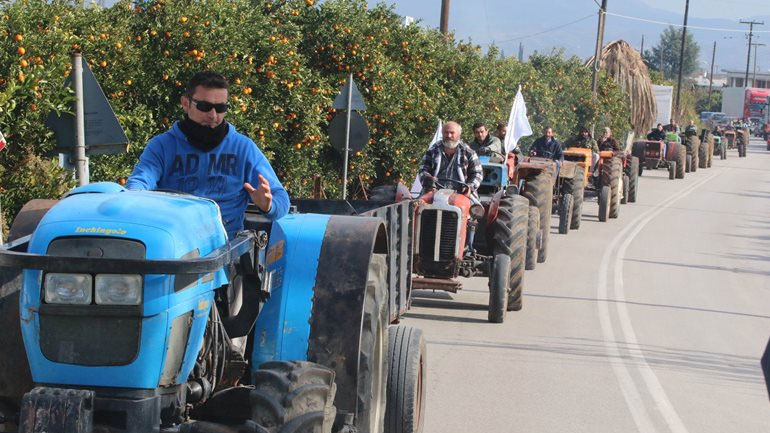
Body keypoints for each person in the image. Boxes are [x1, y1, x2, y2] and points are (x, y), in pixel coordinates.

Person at [126, 71, 290, 239]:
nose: (213, 115)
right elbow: (139, 183)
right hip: (175, 243)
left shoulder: (243, 148)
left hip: (226, 246)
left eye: (220, 108)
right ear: (185, 103)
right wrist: (132, 199)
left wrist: (268, 206)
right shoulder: (162, 146)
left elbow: (281, 200)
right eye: (204, 107)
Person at [418, 121, 483, 196]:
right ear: (442, 134)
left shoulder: (468, 152)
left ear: (459, 135)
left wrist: (470, 187)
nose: (448, 135)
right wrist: (429, 182)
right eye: (446, 132)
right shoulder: (433, 150)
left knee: (474, 204)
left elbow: (478, 173)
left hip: (461, 194)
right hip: (434, 193)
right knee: (417, 203)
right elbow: (423, 170)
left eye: (452, 133)